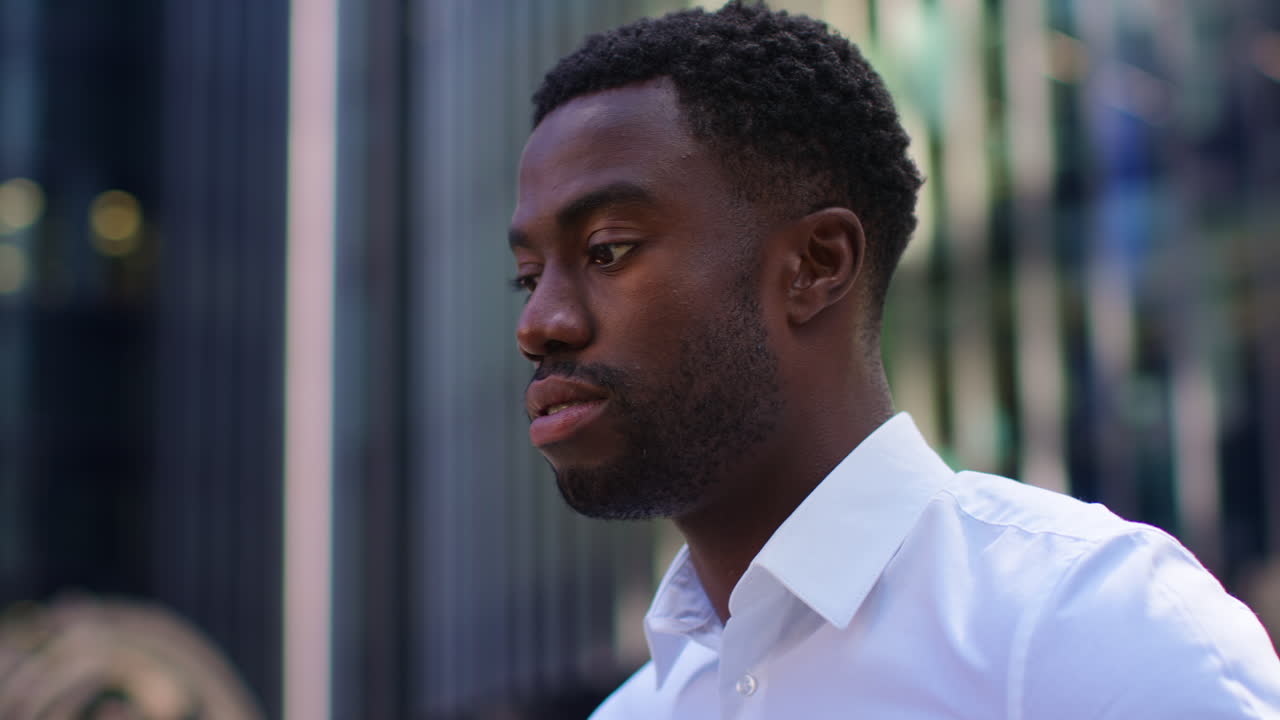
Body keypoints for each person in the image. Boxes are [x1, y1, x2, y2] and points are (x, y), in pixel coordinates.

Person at [506, 3, 1280, 717]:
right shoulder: (636, 711)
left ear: (816, 264)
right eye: (528, 277)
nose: (538, 325)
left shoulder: (1086, 623)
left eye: (607, 251)